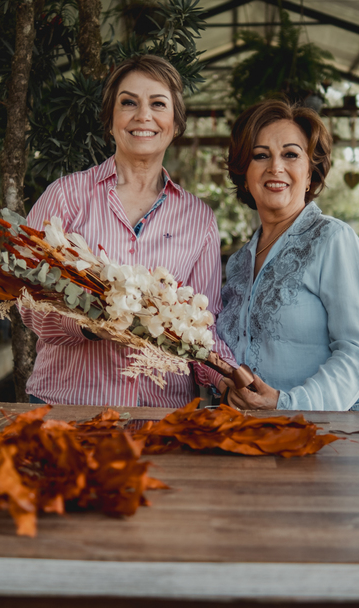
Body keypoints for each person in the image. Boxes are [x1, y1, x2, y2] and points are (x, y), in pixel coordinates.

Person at [23, 54, 237, 406]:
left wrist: (227, 378)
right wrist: (90, 322)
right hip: (67, 412)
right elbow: (27, 300)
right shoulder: (65, 198)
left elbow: (203, 327)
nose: (143, 116)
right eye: (128, 103)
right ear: (110, 120)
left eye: (158, 104)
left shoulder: (198, 219)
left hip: (160, 419)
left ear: (175, 123)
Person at [217, 100, 359, 412]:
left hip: (321, 435)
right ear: (245, 174)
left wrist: (288, 404)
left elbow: (358, 353)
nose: (275, 167)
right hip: (246, 434)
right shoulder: (240, 261)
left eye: (290, 154)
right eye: (260, 155)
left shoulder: (334, 241)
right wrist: (227, 383)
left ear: (310, 173)